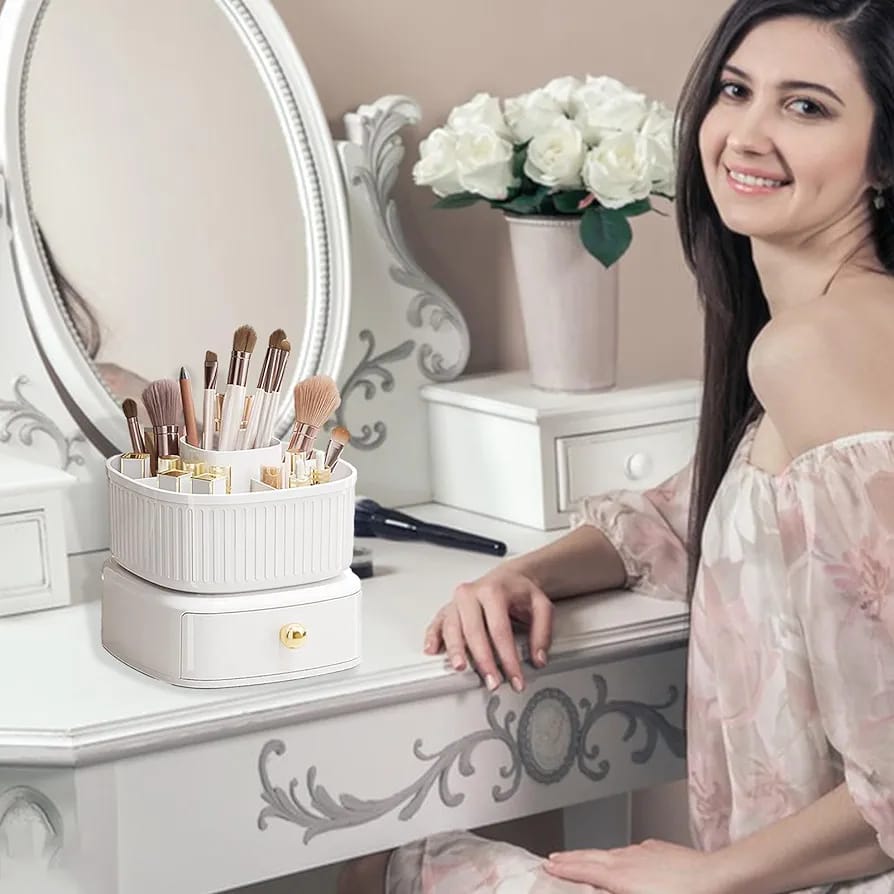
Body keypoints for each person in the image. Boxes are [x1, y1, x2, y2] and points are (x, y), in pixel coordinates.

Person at [339, 0, 894, 890]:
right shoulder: (827, 334)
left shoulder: (817, 351)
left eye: (806, 107)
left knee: (398, 868)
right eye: (735, 91)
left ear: (885, 158)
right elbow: (690, 517)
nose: (747, 135)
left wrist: (711, 877)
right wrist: (521, 575)